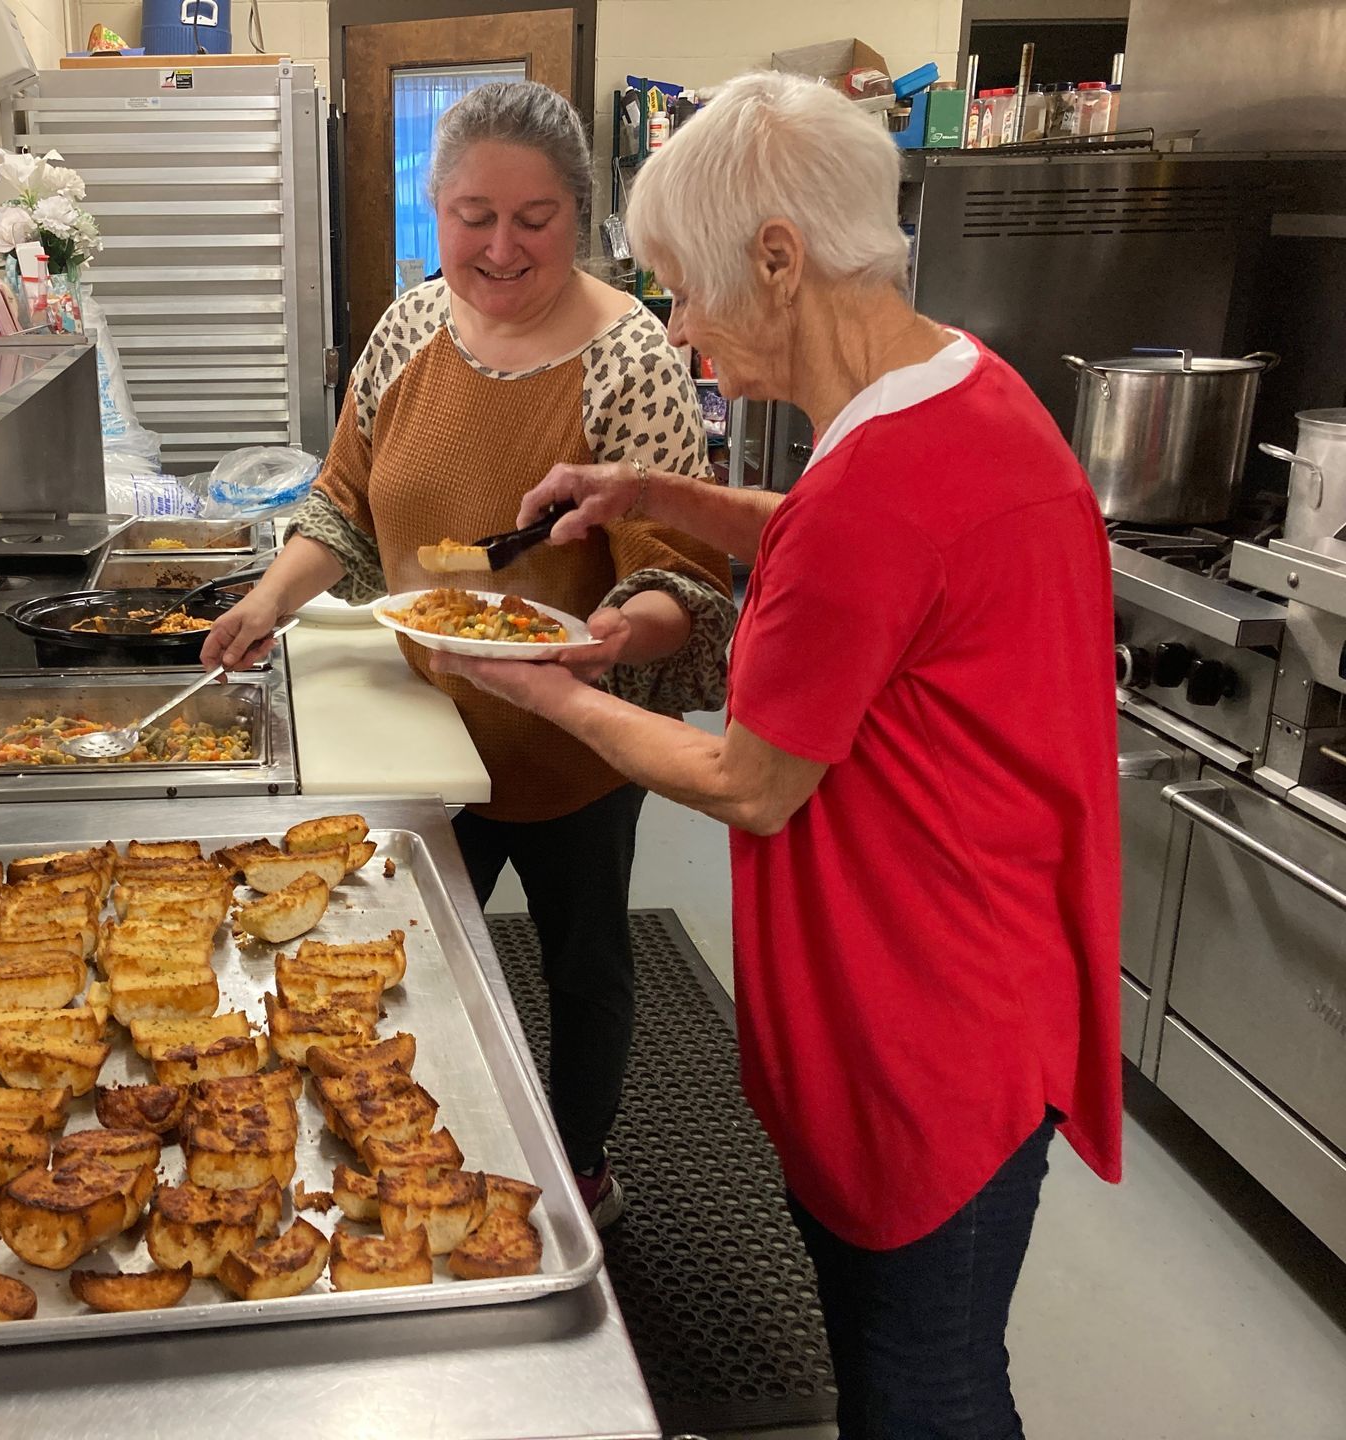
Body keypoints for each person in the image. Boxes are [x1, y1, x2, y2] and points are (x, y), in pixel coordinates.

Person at [431, 71, 1122, 1438]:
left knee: (924, 1387)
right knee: (908, 1358)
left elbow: (746, 779)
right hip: (999, 969)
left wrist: (538, 685)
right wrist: (654, 494)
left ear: (778, 258)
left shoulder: (878, 486)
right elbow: (840, 548)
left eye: (684, 289)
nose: (679, 328)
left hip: (928, 1024)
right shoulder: (959, 391)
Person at [202, 80, 735, 1225]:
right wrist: (269, 602)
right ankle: (400, 1153)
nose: (499, 246)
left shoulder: (631, 357)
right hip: (419, 727)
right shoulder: (407, 328)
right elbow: (344, 504)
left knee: (585, 966)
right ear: (435, 212)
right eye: (471, 214)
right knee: (396, 966)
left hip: (573, 739)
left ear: (579, 218)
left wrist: (606, 640)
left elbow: (680, 576)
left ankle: (581, 1169)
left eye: (533, 218)